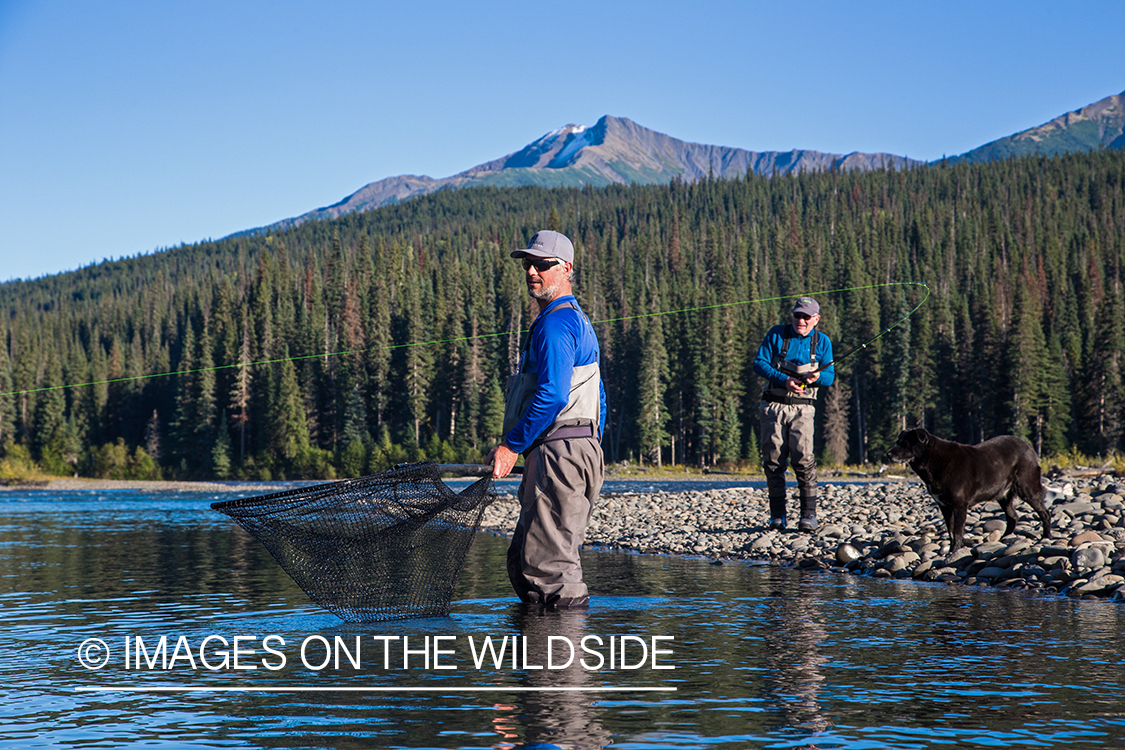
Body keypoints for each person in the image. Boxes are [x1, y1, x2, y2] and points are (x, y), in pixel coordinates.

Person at [487, 229, 607, 609]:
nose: (532, 272)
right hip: (575, 450)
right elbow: (599, 397)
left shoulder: (555, 324)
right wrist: (589, 448)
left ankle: (560, 667)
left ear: (566, 268)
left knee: (551, 572)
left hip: (559, 453)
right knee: (527, 560)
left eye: (543, 264)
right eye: (528, 264)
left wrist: (510, 446)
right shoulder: (577, 321)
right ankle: (538, 665)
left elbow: (552, 394)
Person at [753, 297, 835, 532]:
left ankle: (808, 516)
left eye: (806, 317)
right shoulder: (777, 334)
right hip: (773, 406)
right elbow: (759, 363)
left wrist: (816, 377)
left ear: (816, 319)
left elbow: (829, 377)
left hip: (803, 409)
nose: (800, 320)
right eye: (797, 315)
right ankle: (777, 516)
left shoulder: (823, 342)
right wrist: (784, 379)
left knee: (804, 460)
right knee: (773, 462)